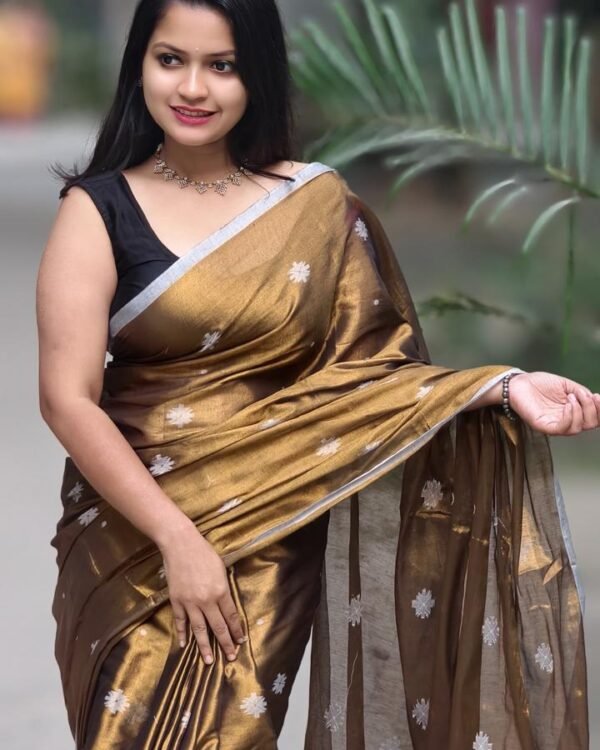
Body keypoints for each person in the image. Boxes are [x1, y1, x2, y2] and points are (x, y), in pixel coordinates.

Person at [36, 1, 599, 748]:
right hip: (129, 538)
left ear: (258, 75)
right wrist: (177, 539)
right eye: (171, 60)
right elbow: (67, 399)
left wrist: (500, 386)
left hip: (271, 526)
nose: (193, 87)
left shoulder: (315, 206)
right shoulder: (98, 208)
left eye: (222, 65)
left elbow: (368, 379)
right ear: (139, 64)